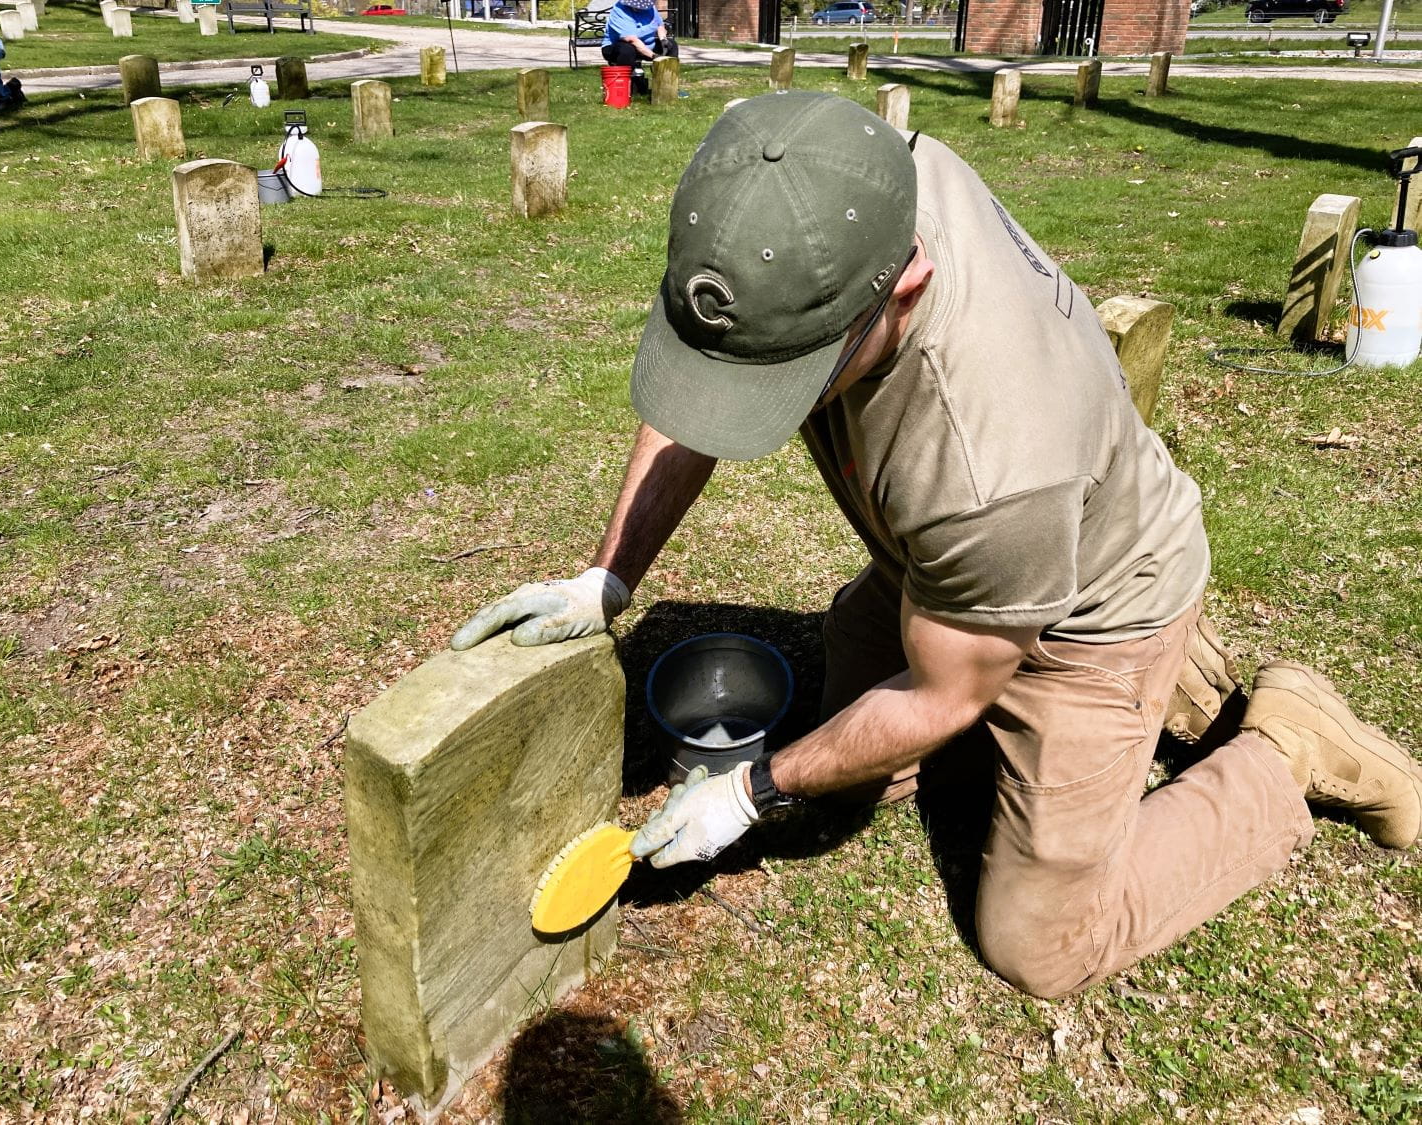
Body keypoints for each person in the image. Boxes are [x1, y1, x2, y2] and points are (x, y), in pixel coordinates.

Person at [450, 92, 1422, 999]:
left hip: (1092, 605)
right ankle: (1161, 675)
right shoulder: (839, 182)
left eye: (788, 372)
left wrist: (750, 789)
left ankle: (1286, 744)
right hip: (980, 557)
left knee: (1041, 941)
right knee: (859, 743)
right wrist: (608, 576)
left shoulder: (996, 463)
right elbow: (712, 371)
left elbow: (943, 694)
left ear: (905, 286)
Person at [600, 0, 677, 92]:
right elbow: (632, 40)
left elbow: (660, 25)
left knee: (672, 45)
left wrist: (663, 40)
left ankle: (667, 86)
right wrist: (654, 56)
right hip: (617, 47)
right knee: (627, 50)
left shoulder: (650, 8)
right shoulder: (620, 11)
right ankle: (626, 88)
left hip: (646, 46)